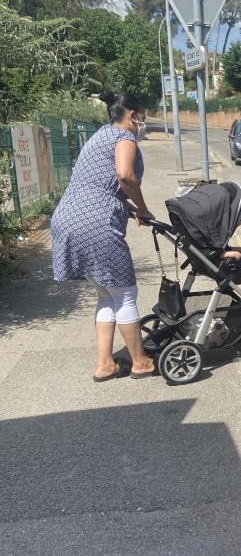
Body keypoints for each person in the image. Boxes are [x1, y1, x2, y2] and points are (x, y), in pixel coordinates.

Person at [51, 92, 156, 381]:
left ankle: (105, 364)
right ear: (132, 114)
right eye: (143, 117)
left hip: (67, 219)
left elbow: (100, 185)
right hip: (95, 226)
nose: (143, 123)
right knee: (124, 294)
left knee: (106, 294)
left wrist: (131, 207)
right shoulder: (125, 137)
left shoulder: (99, 136)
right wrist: (145, 209)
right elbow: (124, 176)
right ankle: (140, 362)